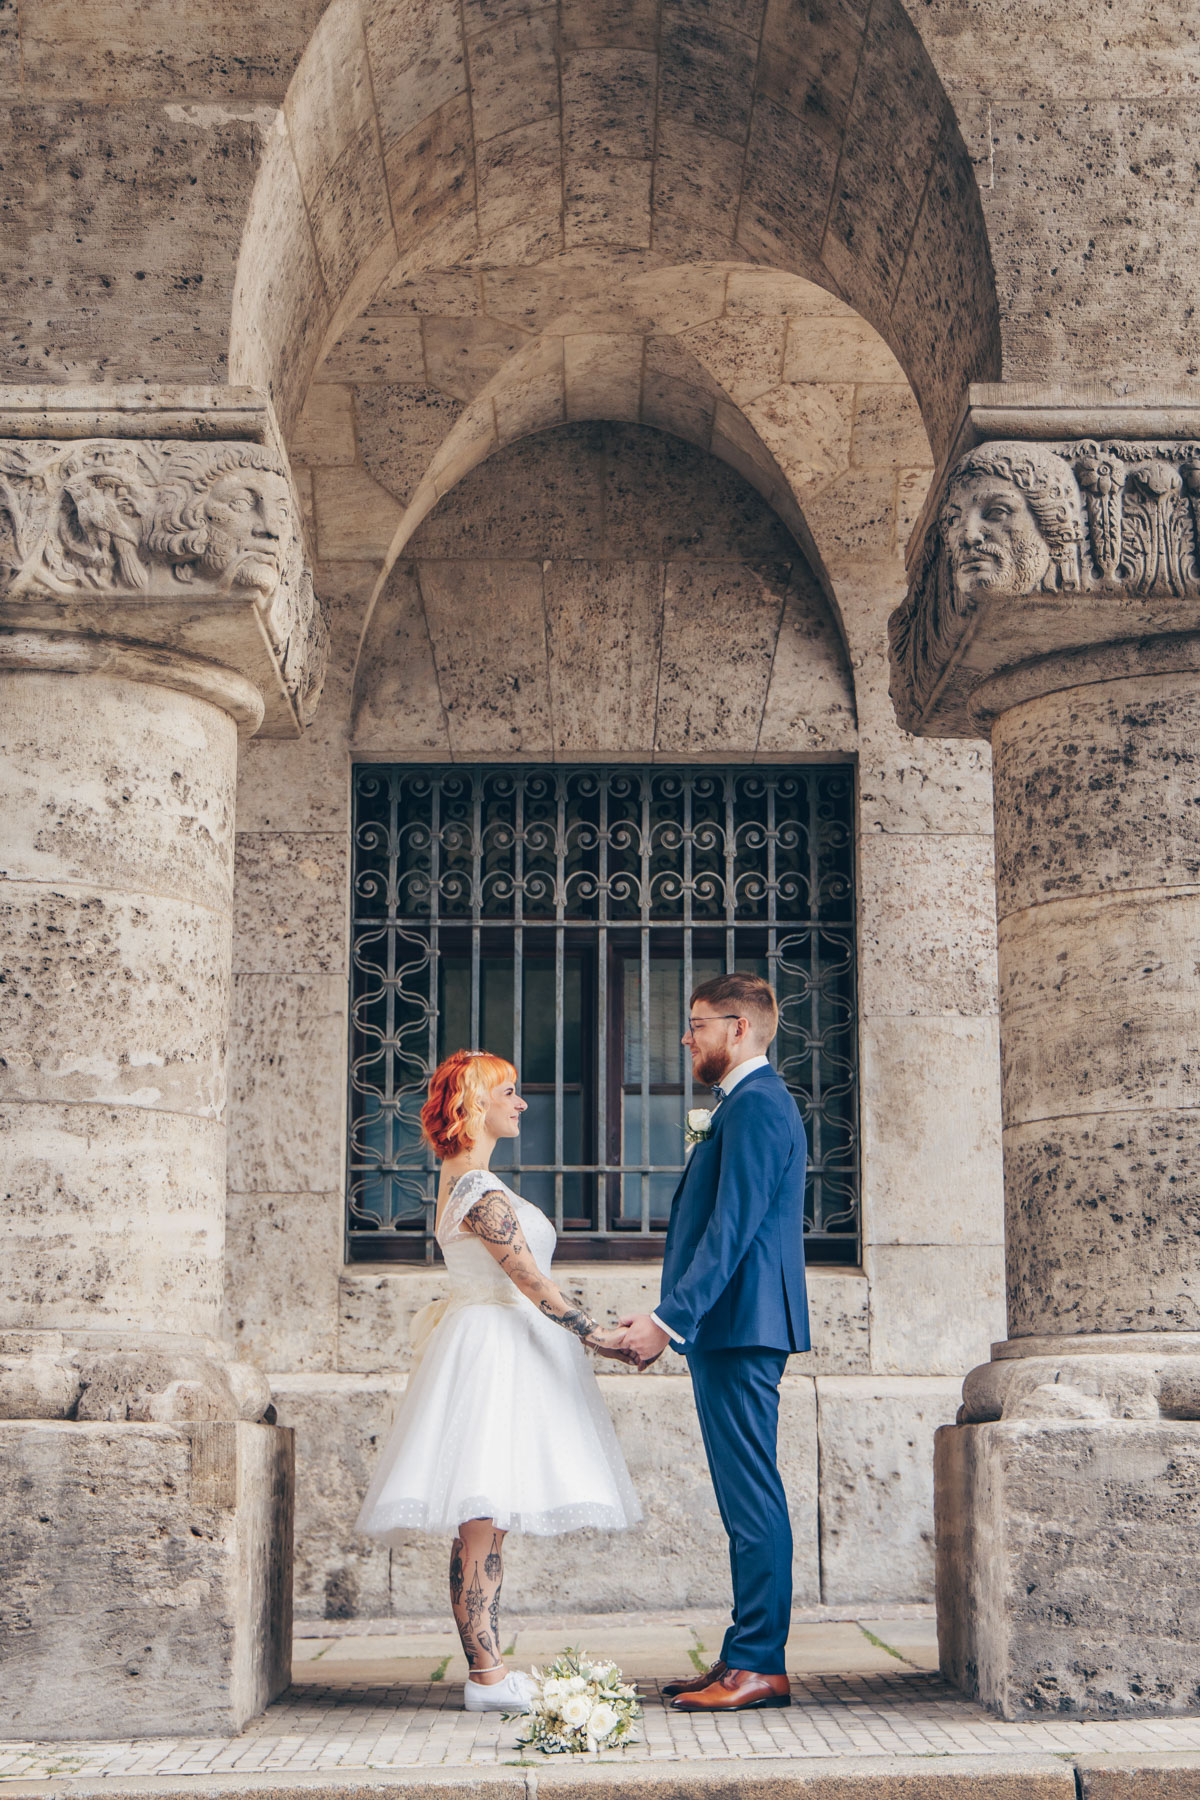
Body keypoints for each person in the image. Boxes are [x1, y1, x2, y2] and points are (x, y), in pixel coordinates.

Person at [355, 1049, 642, 1713]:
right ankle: (486, 1676)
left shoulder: (471, 1182)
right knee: (481, 1520)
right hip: (491, 1354)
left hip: (497, 1346)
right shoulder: (476, 1191)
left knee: (486, 1522)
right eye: (510, 1092)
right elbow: (529, 1278)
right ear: (477, 1103)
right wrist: (594, 1334)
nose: (522, 1103)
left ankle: (489, 1667)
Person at [616, 973, 809, 1713]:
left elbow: (730, 1231)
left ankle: (760, 1663)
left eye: (696, 1024)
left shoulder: (758, 1106)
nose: (686, 1038)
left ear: (739, 1028)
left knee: (752, 1494)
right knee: (742, 1495)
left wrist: (669, 1321)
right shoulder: (741, 1106)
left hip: (742, 1325)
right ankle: (741, 1654)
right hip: (732, 1325)